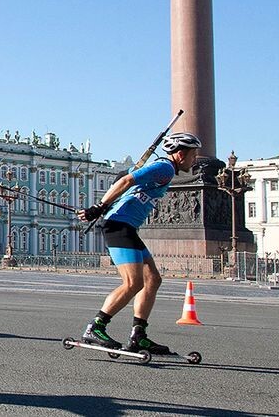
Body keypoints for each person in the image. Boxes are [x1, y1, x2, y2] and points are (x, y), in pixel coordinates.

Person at [76, 132, 202, 354]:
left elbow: (125, 178)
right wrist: (99, 206)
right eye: (193, 155)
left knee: (152, 278)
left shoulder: (165, 169)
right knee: (133, 283)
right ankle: (95, 328)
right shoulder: (165, 168)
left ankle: (138, 335)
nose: (195, 160)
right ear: (180, 154)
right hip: (118, 226)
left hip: (127, 227)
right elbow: (126, 181)